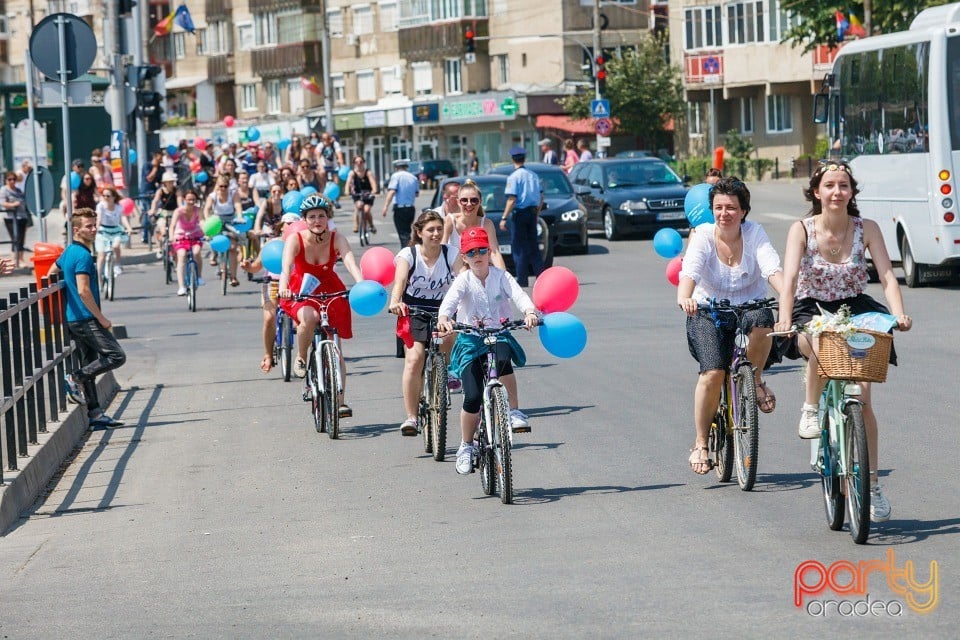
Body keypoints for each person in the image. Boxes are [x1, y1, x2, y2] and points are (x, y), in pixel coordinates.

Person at [774, 161, 912, 521]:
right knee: (820, 341)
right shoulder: (801, 230)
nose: (837, 192)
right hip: (810, 308)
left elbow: (887, 276)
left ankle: (872, 484)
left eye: (844, 186)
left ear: (852, 192)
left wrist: (899, 314)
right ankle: (810, 408)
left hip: (856, 308)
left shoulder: (867, 228)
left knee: (864, 399)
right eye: (830, 185)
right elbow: (788, 279)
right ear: (817, 192)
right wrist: (786, 318)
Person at [677, 177, 785, 475]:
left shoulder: (754, 234)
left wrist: (787, 292)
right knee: (713, 373)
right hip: (707, 310)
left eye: (732, 208)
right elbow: (691, 271)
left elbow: (772, 268)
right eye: (718, 207)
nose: (724, 213)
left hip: (749, 307)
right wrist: (684, 297)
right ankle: (700, 442)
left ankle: (757, 380)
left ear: (743, 211)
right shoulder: (702, 234)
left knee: (764, 322)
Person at [437, 227, 539, 475]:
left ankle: (513, 411)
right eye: (471, 252)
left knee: (504, 361)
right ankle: (465, 446)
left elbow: (518, 295)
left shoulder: (501, 276)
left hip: (498, 334)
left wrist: (529, 312)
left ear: (489, 251)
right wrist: (444, 319)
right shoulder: (463, 280)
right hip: (471, 340)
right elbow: (449, 303)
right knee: (472, 396)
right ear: (464, 256)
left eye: (482, 249)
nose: (478, 255)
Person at [278, 194, 363, 417]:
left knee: (336, 347)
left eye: (322, 216)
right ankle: (302, 356)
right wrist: (284, 286)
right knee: (309, 318)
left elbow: (350, 262)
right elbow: (286, 268)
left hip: (329, 288)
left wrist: (361, 284)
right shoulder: (295, 239)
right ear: (304, 219)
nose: (317, 221)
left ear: (328, 218)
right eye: (312, 217)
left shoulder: (337, 238)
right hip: (302, 289)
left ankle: (341, 402)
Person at [49, 209, 126, 429]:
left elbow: (50, 272)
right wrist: (101, 318)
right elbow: (84, 290)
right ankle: (75, 377)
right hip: (84, 318)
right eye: (88, 226)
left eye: (94, 225)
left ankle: (95, 414)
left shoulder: (69, 251)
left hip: (73, 318)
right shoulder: (82, 255)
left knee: (90, 361)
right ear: (76, 230)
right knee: (116, 356)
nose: (93, 229)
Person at [388, 210, 459, 435]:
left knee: (449, 335)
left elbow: (464, 279)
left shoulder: (451, 254)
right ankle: (412, 417)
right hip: (414, 310)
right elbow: (399, 281)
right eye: (430, 230)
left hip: (443, 309)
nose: (436, 234)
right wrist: (395, 301)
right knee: (415, 358)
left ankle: (444, 370)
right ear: (419, 232)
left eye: (439, 229)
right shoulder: (409, 254)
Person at [499, 147, 544, 287]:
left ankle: (522, 279)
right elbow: (541, 197)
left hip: (520, 214)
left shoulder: (513, 177)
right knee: (534, 247)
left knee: (519, 248)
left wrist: (504, 217)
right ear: (524, 159)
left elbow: (512, 199)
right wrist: (536, 214)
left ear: (513, 159)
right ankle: (541, 278)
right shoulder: (533, 175)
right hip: (532, 213)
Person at [443, 179, 506, 271]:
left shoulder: (486, 224)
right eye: (464, 200)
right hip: (454, 274)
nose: (469, 204)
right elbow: (441, 249)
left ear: (480, 202)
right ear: (458, 202)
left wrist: (504, 278)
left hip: (480, 272)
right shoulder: (450, 221)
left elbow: (494, 253)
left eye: (474, 200)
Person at [203, 176, 243, 285]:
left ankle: (234, 277)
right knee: (212, 237)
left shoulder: (233, 194)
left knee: (233, 248)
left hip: (230, 220)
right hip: (217, 221)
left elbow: (237, 205)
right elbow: (207, 208)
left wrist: (239, 216)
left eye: (225, 186)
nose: (223, 189)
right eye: (221, 186)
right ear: (217, 186)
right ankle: (214, 254)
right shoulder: (213, 196)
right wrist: (208, 219)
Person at [168, 189, 206, 296]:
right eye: (189, 199)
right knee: (182, 255)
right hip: (181, 236)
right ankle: (181, 287)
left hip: (195, 235)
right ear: (184, 199)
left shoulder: (198, 210)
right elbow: (173, 225)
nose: (191, 202)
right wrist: (172, 237)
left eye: (193, 200)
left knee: (196, 252)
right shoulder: (178, 211)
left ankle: (198, 276)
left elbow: (202, 222)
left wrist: (206, 233)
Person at [95, 186, 133, 279]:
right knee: (101, 255)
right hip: (103, 230)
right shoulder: (101, 206)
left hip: (116, 230)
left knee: (116, 246)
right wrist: (96, 227)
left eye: (108, 196)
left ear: (113, 197)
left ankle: (117, 264)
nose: (106, 198)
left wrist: (128, 227)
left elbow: (123, 218)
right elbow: (99, 218)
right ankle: (99, 277)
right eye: (104, 196)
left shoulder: (118, 207)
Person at [381, 159, 419, 247]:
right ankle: (409, 249)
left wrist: (385, 206)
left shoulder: (396, 176)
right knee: (407, 232)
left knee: (403, 234)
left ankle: (407, 253)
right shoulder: (413, 177)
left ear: (396, 168)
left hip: (400, 209)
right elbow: (416, 194)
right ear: (406, 167)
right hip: (410, 208)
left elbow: (392, 191)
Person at [1, 171, 30, 269]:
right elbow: (3, 203)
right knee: (15, 238)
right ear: (6, 180)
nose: (12, 181)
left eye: (14, 179)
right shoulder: (4, 190)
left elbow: (24, 202)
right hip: (10, 217)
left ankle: (20, 259)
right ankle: (15, 259)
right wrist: (13, 205)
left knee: (21, 238)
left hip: (22, 216)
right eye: (10, 179)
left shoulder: (18, 190)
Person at [149, 171, 180, 253]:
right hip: (164, 212)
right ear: (164, 183)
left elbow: (180, 201)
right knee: (161, 229)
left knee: (176, 230)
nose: (171, 184)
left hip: (174, 212)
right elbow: (155, 201)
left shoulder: (177, 191)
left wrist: (181, 210)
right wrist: (152, 210)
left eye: (172, 182)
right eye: (169, 182)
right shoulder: (160, 191)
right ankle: (160, 247)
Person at [345, 157, 378, 234]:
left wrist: (374, 190)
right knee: (358, 206)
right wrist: (346, 190)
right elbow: (348, 183)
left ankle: (371, 225)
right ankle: (356, 225)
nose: (359, 164)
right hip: (357, 193)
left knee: (366, 210)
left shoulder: (368, 172)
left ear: (363, 162)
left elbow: (373, 183)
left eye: (361, 162)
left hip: (367, 193)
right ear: (354, 163)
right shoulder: (352, 173)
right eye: (356, 162)